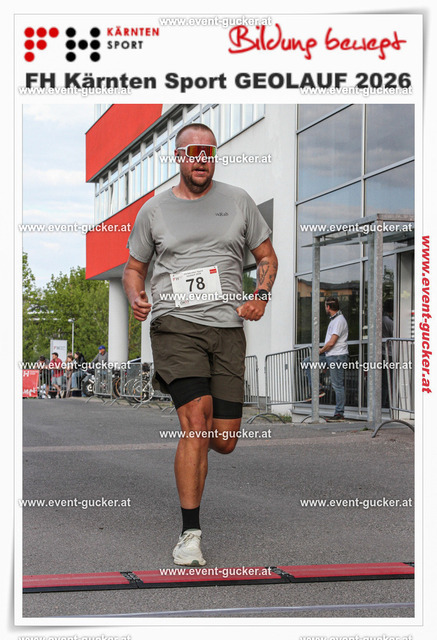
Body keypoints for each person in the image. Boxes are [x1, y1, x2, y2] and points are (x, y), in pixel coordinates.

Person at [123, 122, 277, 567]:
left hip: (227, 328)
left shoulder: (239, 201)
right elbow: (134, 268)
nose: (200, 159)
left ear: (214, 156)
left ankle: (194, 449)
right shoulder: (154, 210)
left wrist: (260, 295)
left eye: (207, 152)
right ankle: (190, 534)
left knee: (223, 439)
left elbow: (267, 257)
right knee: (195, 422)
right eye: (192, 152)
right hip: (175, 324)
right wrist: (135, 295)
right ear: (179, 157)